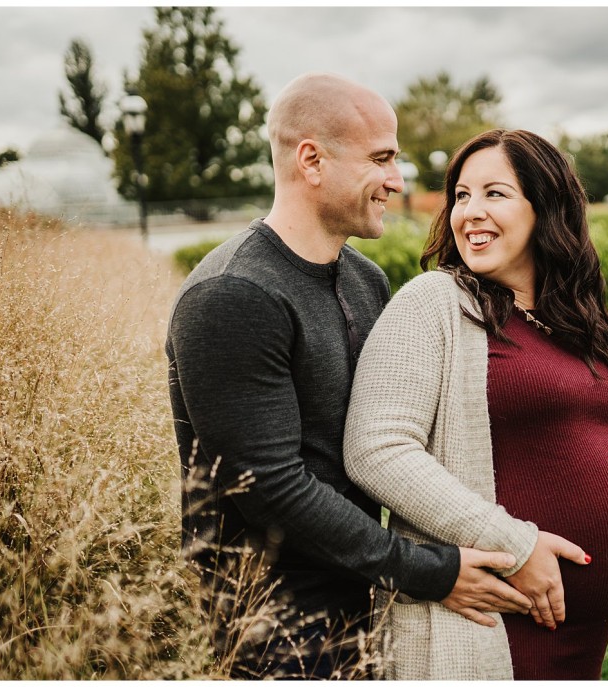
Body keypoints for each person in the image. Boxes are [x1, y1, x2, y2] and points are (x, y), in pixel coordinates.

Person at [166, 74, 538, 679]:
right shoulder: (233, 295)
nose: (398, 179)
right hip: (279, 629)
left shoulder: (366, 281)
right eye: (381, 159)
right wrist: (431, 570)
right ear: (311, 160)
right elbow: (271, 490)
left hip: (371, 604)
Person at [343, 129, 608, 680]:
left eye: (494, 193)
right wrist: (515, 544)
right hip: (491, 621)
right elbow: (376, 448)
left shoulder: (572, 313)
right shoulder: (435, 302)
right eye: (461, 195)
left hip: (581, 635)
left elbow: (583, 417)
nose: (470, 212)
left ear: (547, 206)